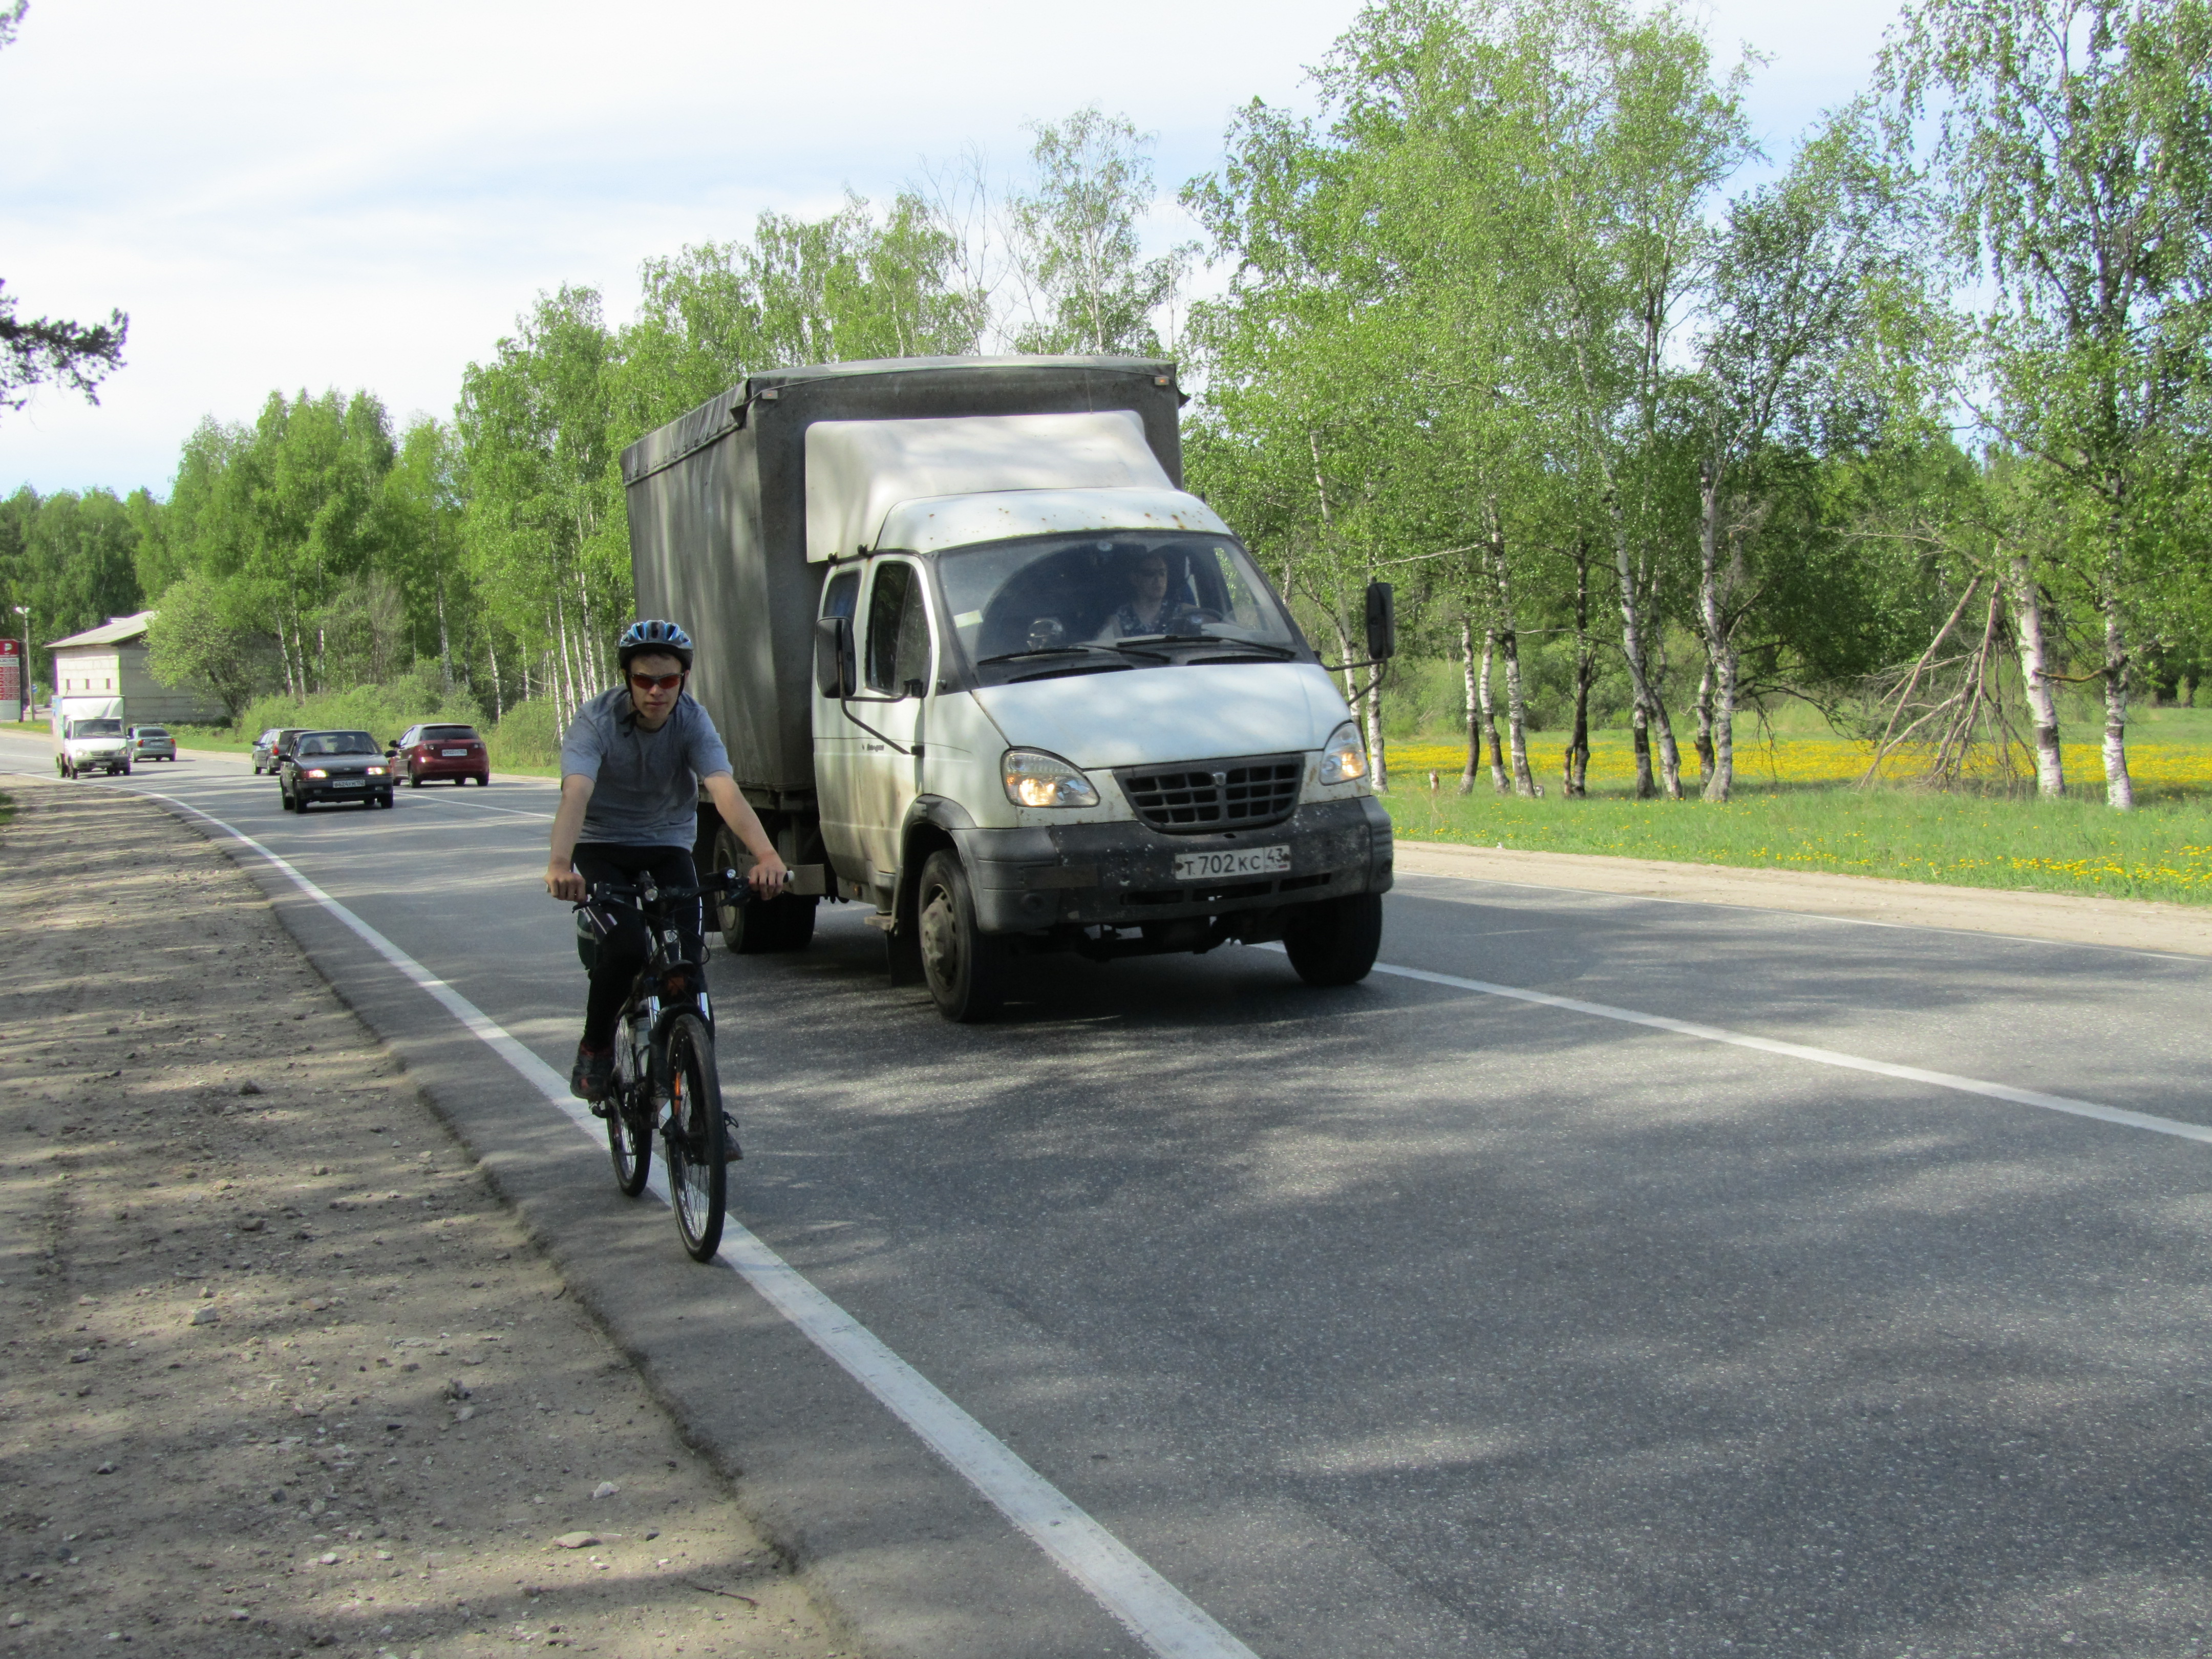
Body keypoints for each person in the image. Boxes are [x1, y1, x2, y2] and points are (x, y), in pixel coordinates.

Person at [544, 620, 788, 1103]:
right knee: (627, 948)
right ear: (627, 679)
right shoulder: (595, 721)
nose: (656, 691)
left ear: (683, 680)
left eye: (668, 680)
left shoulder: (692, 720)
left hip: (668, 845)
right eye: (643, 679)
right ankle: (595, 1048)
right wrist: (559, 863)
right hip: (602, 845)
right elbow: (576, 793)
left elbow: (723, 788)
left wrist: (766, 855)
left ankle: (701, 1111)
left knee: (687, 970)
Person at [1104, 550, 1191, 639]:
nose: (1158, 579)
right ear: (1135, 579)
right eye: (1150, 574)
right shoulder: (1118, 619)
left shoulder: (1184, 613)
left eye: (1162, 573)